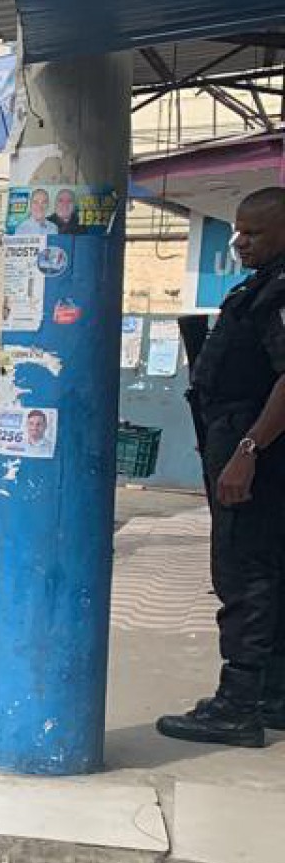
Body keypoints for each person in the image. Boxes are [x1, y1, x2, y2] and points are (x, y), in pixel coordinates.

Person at [156, 187, 285, 747]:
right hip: (242, 447)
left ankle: (237, 706)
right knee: (265, 572)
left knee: (244, 575)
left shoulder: (278, 292)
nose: (239, 242)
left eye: (253, 233)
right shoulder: (263, 287)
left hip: (257, 456)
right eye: (237, 231)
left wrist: (247, 451)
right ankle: (271, 695)